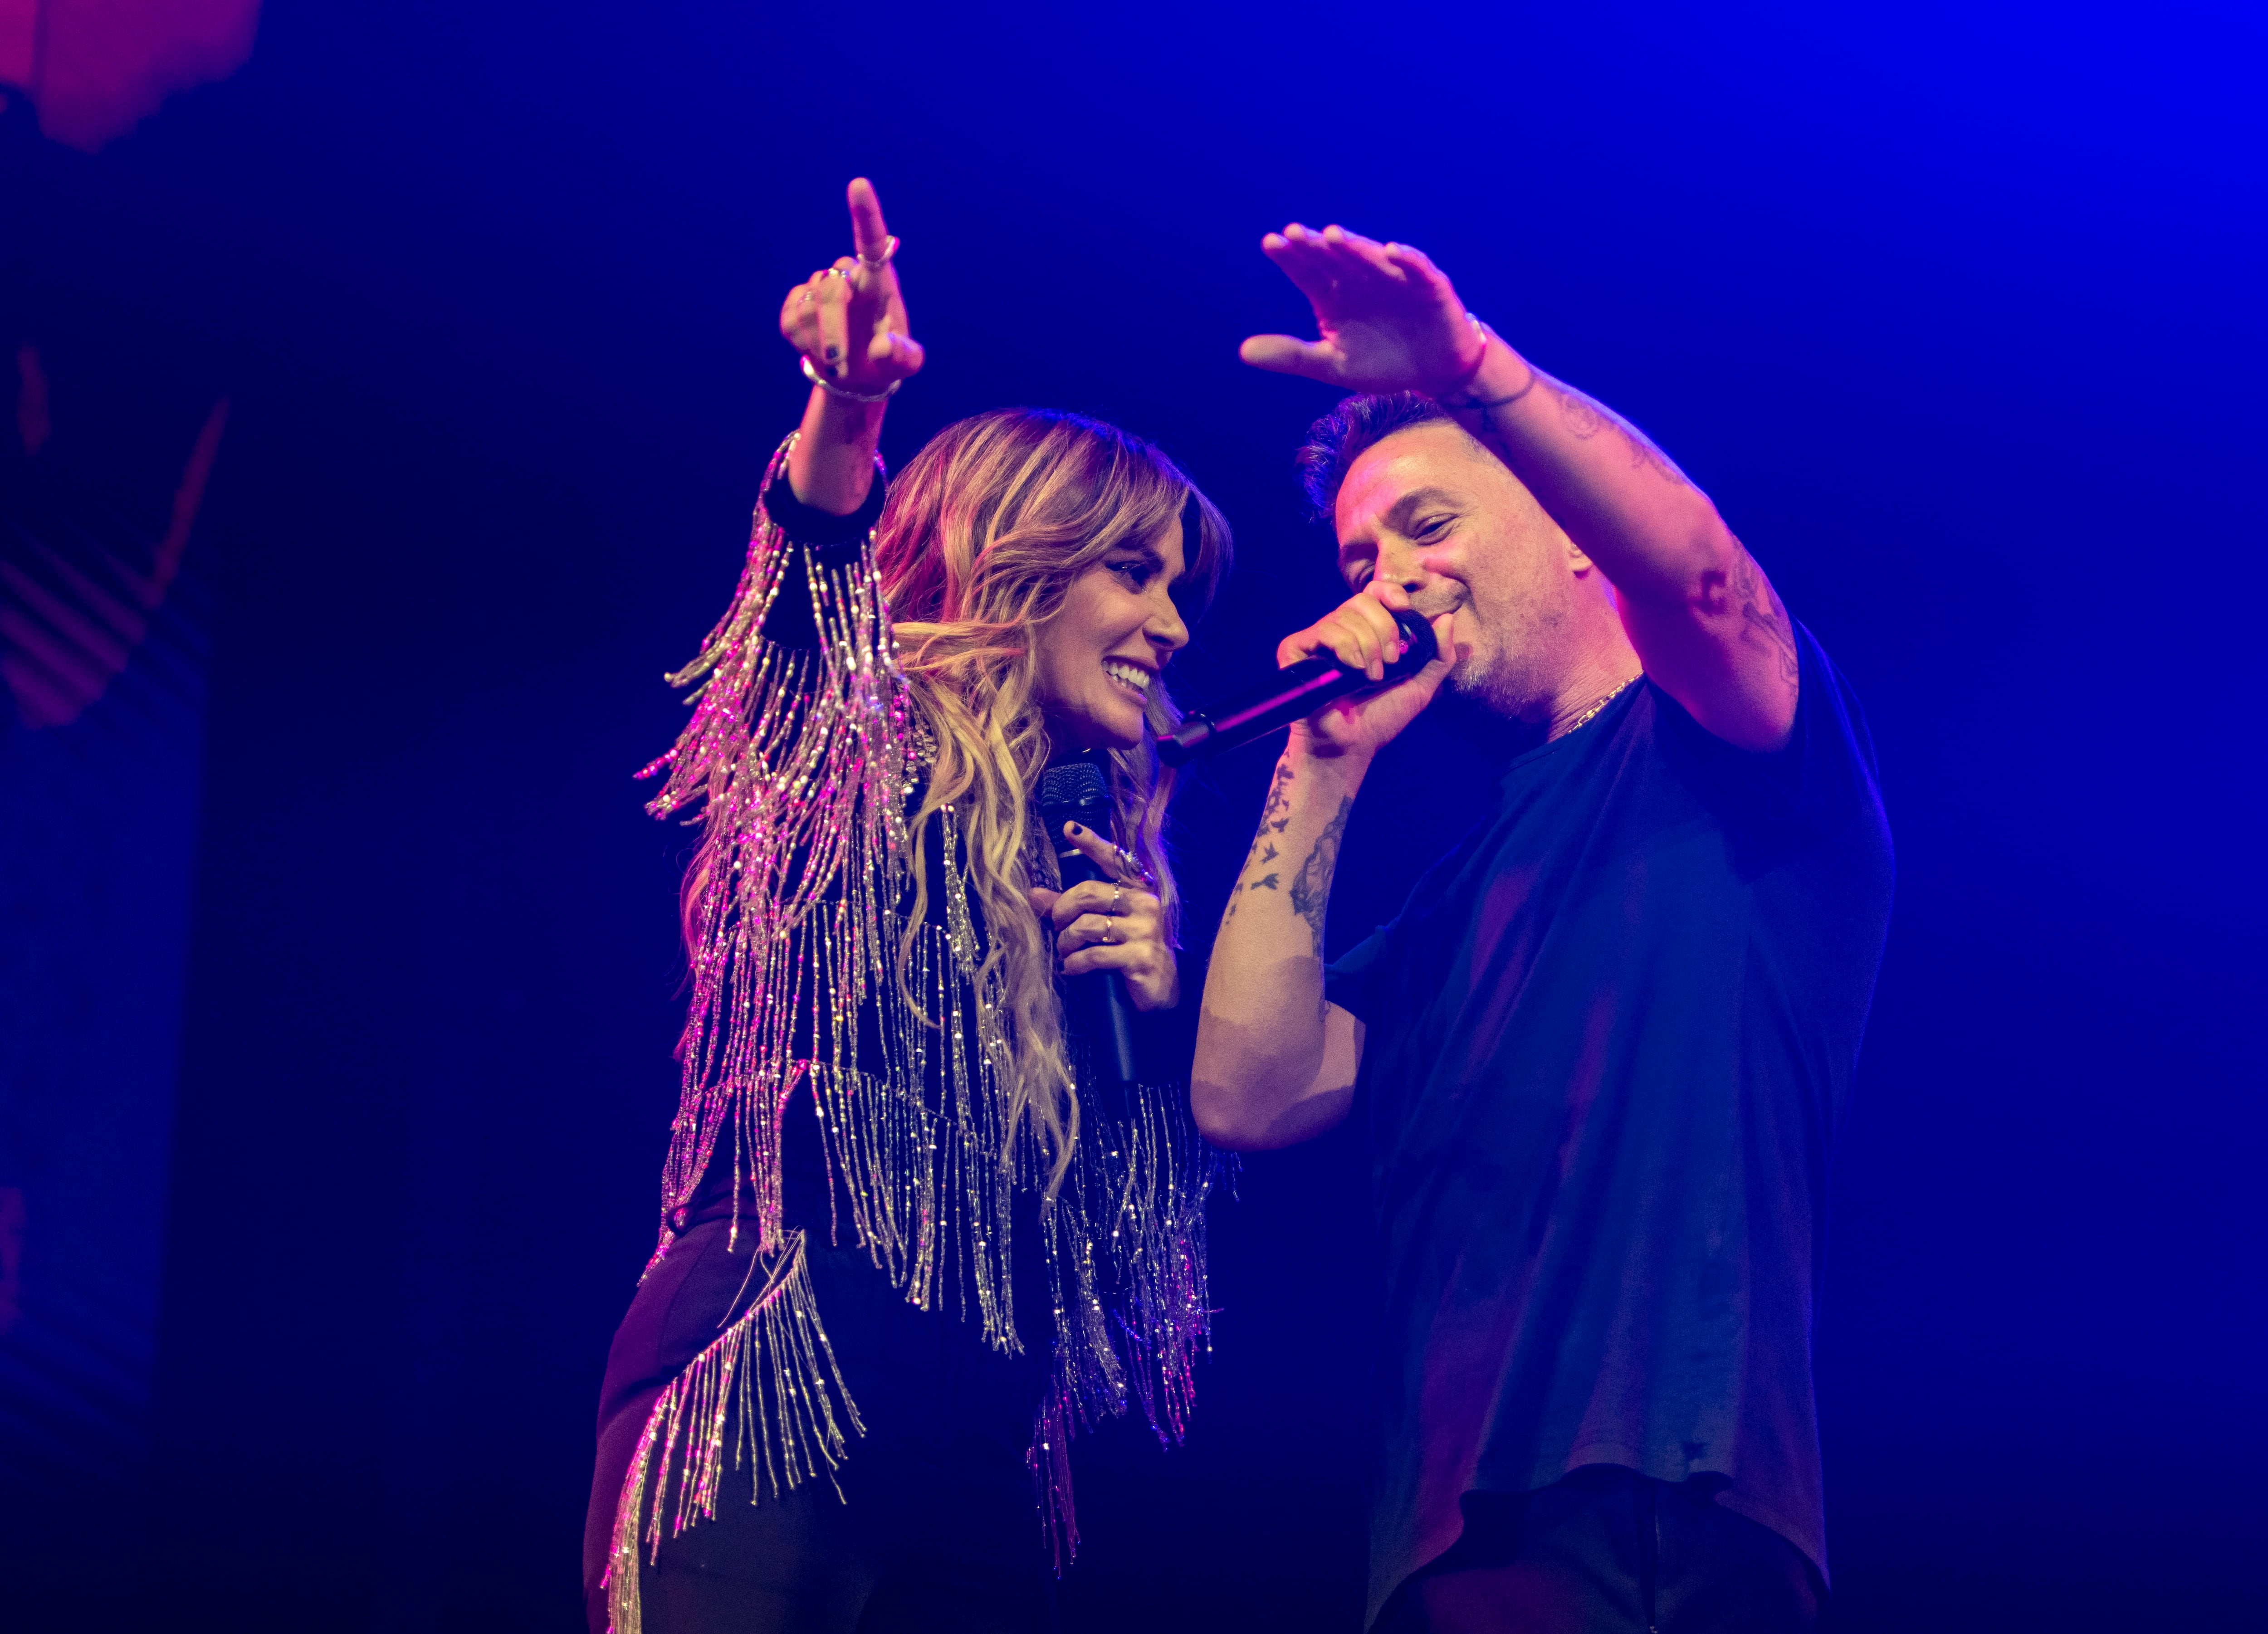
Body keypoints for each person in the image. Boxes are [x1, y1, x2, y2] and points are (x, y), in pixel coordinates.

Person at [1192, 223, 1893, 1633]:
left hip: (1673, 1497)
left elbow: (1703, 583)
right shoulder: (1453, 901)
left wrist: (1470, 370)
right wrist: (1319, 768)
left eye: (1430, 525)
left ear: (1578, 537)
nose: (1387, 572)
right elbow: (1248, 1088)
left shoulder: (1732, 752)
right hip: (1451, 1540)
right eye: (1360, 550)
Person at [583, 178, 1231, 1634]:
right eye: (1136, 572)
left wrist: (1154, 1024)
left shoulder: (1090, 861)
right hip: (773, 1388)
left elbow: (1131, 1275)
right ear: (1019, 560)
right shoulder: (857, 756)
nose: (1175, 627)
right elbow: (809, 602)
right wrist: (847, 411)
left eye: (1181, 589)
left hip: (981, 1466)